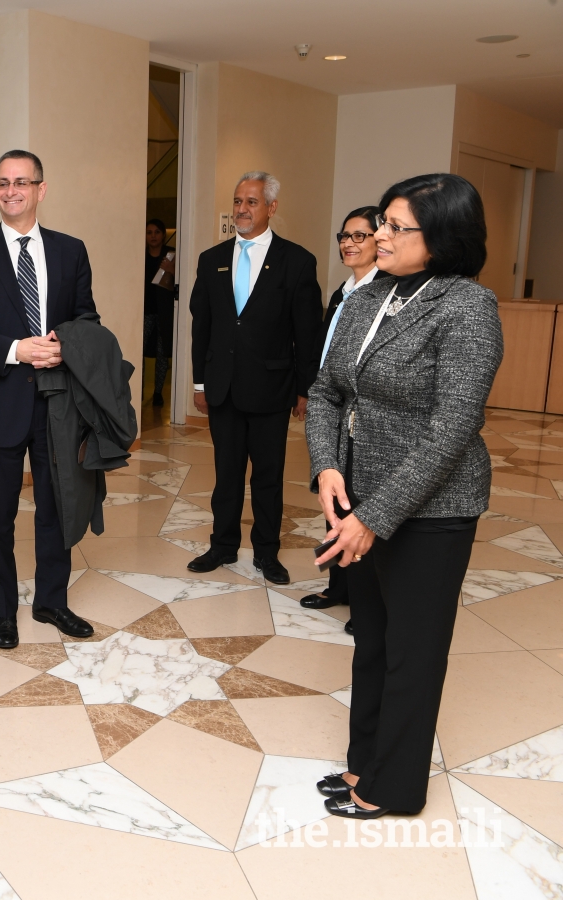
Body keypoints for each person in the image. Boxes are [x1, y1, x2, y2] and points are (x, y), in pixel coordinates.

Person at [308, 174, 502, 818]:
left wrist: (375, 516)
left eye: (395, 227)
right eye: (381, 224)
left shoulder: (467, 307)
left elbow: (453, 428)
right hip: (358, 492)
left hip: (432, 509)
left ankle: (394, 788)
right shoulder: (369, 297)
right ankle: (366, 761)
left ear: (441, 237)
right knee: (376, 642)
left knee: (412, 655)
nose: (378, 235)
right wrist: (329, 468)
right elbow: (328, 390)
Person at [0, 150, 98, 649]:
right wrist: (15, 349)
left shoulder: (71, 251)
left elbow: (87, 319)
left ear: (41, 189)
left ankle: (52, 601)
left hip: (58, 403)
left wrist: (63, 347)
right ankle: (2, 610)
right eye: (3, 183)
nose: (12, 191)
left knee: (56, 505)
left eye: (22, 183)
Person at [188, 171, 323, 585]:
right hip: (223, 388)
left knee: (267, 476)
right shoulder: (211, 259)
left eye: (251, 202)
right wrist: (199, 383)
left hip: (271, 389)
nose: (242, 210)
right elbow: (202, 326)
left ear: (271, 207)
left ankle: (267, 552)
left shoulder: (297, 261)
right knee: (226, 473)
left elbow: (308, 331)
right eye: (238, 202)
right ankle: (222, 545)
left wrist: (304, 389)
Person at [300, 206, 381, 628]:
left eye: (360, 236)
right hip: (333, 407)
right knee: (335, 499)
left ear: (379, 240)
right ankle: (340, 587)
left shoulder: (384, 292)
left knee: (362, 506)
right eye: (344, 236)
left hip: (363, 416)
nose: (349, 243)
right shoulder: (343, 292)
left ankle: (363, 598)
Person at [144, 219, 176, 407]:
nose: (153, 236)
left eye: (157, 232)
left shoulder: (171, 254)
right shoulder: (141, 254)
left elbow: (180, 283)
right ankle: (137, 390)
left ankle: (158, 392)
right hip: (145, 310)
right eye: (149, 232)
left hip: (165, 311)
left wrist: (172, 270)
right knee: (139, 350)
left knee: (162, 353)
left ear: (163, 234)